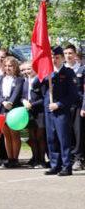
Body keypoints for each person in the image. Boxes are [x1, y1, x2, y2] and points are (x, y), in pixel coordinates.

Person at [41, 46, 78, 177]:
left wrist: (59, 104)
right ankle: (55, 165)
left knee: (63, 138)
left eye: (57, 57)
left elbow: (73, 95)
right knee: (51, 138)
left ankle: (66, 166)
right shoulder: (48, 73)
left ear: (62, 58)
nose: (54, 60)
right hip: (49, 110)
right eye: (52, 57)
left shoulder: (68, 73)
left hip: (61, 110)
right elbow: (36, 86)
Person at [0, 56, 25, 168]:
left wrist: (10, 103)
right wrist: (3, 102)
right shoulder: (0, 78)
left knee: (14, 134)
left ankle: (15, 159)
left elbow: (17, 92)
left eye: (10, 66)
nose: (8, 68)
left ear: (15, 67)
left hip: (14, 108)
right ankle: (9, 158)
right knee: (6, 134)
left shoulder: (19, 79)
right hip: (2, 107)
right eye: (6, 66)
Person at [63, 44, 84, 170]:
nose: (68, 56)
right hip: (65, 106)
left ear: (75, 54)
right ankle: (69, 158)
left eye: (70, 53)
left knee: (79, 133)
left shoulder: (82, 69)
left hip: (78, 106)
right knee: (66, 132)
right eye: (65, 53)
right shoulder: (62, 70)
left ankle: (78, 158)